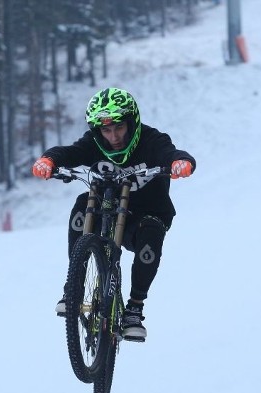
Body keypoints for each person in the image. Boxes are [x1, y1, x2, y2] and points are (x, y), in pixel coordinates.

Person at [32, 87, 195, 342]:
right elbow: (69, 153)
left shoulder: (152, 140)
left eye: (118, 128)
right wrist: (49, 160)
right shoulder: (93, 143)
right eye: (106, 131)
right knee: (81, 204)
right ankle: (74, 284)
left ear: (132, 123)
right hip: (106, 210)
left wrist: (180, 162)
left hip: (143, 217)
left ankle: (135, 309)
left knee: (152, 233)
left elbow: (171, 153)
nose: (114, 136)